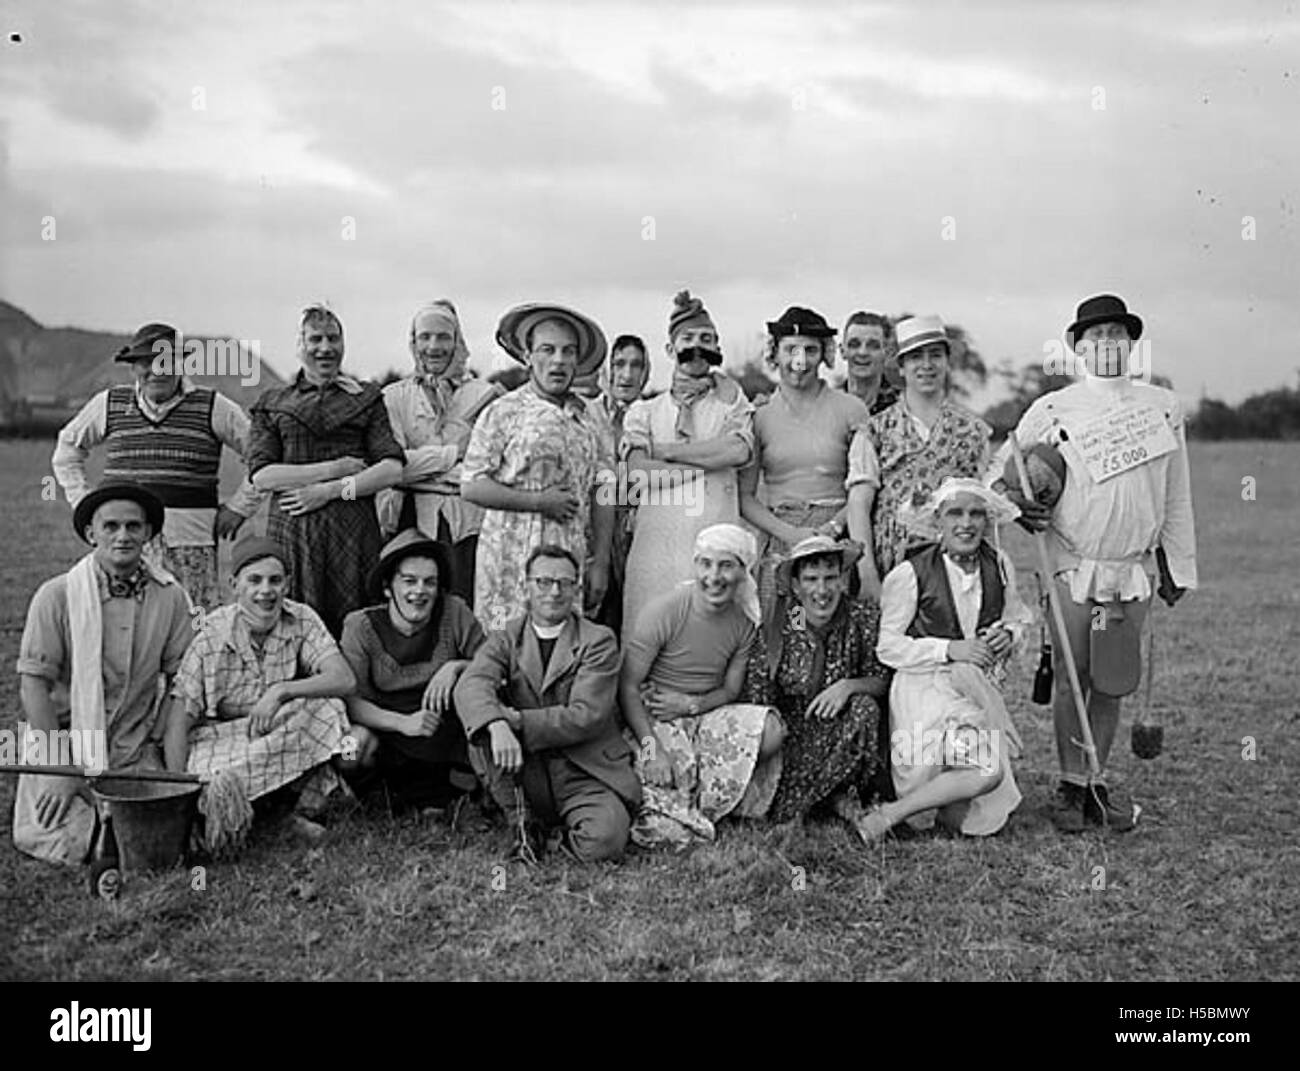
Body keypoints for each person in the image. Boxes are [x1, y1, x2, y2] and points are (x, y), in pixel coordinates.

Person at [990, 294, 1197, 833]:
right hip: (1073, 566)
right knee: (1070, 674)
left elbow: (1177, 493)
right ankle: (1068, 784)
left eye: (1116, 333)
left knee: (1111, 677)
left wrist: (1178, 563)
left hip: (1130, 570)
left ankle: (1097, 781)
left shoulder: (1162, 406)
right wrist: (1020, 507)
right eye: (1095, 335)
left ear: (1131, 343)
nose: (1107, 343)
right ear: (1078, 347)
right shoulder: (1054, 408)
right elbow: (999, 476)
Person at [12, 483, 194, 865]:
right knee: (52, 834)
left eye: (133, 526)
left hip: (133, 743)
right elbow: (34, 685)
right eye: (110, 526)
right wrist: (60, 768)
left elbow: (183, 682)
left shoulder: (171, 597)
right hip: (64, 743)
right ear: (91, 533)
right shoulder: (57, 595)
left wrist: (160, 745)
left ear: (148, 533)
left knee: (165, 829)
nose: (123, 536)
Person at [52, 323, 262, 609]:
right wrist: (85, 504)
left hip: (191, 548)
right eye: (146, 363)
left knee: (193, 628)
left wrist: (240, 506)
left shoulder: (214, 407)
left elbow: (262, 454)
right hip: (122, 544)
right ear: (133, 368)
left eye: (165, 360)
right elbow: (67, 450)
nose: (157, 370)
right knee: (121, 625)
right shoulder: (109, 404)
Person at [166, 536, 358, 850]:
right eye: (254, 580)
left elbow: (344, 679)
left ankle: (281, 806)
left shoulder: (301, 618)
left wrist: (281, 691)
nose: (265, 591)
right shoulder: (211, 633)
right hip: (223, 739)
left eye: (275, 581)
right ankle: (246, 812)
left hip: (276, 728)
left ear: (287, 584)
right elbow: (178, 722)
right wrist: (177, 793)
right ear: (234, 585)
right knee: (218, 782)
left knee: (328, 706)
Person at [865, 479, 1031, 841]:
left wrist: (1009, 634)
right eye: (955, 513)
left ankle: (902, 811)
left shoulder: (999, 565)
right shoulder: (910, 574)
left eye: (976, 514)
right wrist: (948, 649)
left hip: (972, 689)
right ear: (937, 520)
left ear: (987, 521)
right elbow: (888, 646)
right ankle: (903, 805)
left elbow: (1016, 616)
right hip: (924, 690)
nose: (966, 523)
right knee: (979, 772)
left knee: (980, 802)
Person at [453, 544, 640, 862]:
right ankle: (521, 821)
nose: (554, 592)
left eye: (564, 583)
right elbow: (472, 683)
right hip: (524, 768)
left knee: (604, 842)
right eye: (543, 582)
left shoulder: (598, 640)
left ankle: (549, 839)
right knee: (481, 723)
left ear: (575, 588)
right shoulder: (505, 636)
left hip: (583, 768)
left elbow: (587, 716)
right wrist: (497, 724)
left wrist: (516, 721)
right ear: (526, 586)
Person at [620, 524, 784, 849]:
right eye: (706, 564)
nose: (714, 576)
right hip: (657, 720)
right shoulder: (664, 611)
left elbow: (730, 691)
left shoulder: (744, 624)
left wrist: (691, 705)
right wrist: (652, 750)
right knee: (663, 794)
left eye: (726, 565)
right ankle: (681, 806)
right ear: (695, 566)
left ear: (742, 571)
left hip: (704, 715)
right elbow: (627, 687)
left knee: (772, 730)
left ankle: (703, 802)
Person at [246, 305, 406, 636]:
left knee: (356, 630)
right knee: (291, 629)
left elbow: (391, 470)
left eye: (333, 338)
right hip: (292, 534)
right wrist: (333, 469)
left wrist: (332, 490)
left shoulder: (366, 398)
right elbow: (262, 476)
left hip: (354, 533)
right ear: (299, 345)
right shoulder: (273, 402)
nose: (325, 348)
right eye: (315, 339)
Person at [461, 303, 615, 630]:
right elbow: (472, 485)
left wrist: (600, 560)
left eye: (568, 351)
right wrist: (537, 502)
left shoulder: (593, 418)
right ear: (528, 355)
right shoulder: (503, 411)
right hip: (508, 559)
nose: (558, 360)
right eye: (547, 349)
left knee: (563, 650)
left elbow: (605, 489)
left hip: (569, 559)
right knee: (506, 652)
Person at [621, 291, 753, 640]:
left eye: (707, 339)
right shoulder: (643, 412)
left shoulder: (734, 405)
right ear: (670, 349)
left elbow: (738, 453)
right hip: (656, 553)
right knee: (645, 643)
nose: (698, 346)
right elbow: (638, 473)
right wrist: (707, 462)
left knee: (715, 648)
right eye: (688, 339)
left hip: (715, 553)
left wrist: (666, 451)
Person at [747, 536, 891, 827]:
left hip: (844, 731)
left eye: (830, 577)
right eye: (811, 579)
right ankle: (827, 800)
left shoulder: (862, 617)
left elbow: (882, 680)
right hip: (794, 737)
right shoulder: (783, 625)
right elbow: (759, 697)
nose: (822, 590)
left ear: (842, 580)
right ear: (797, 586)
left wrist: (848, 686)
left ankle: (824, 799)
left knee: (865, 708)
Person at [339, 529, 485, 812]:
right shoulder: (359, 626)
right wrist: (402, 723)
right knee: (349, 748)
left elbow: (493, 665)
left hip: (442, 731)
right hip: (386, 728)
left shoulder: (454, 611)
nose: (420, 591)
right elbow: (350, 702)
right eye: (409, 581)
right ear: (387, 587)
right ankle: (366, 796)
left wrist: (456, 667)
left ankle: (452, 794)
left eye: (429, 582)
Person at [847, 313, 991, 600]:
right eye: (915, 358)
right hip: (893, 565)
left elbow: (986, 509)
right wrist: (867, 574)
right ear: (901, 367)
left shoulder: (974, 431)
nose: (926, 365)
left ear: (947, 362)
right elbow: (859, 505)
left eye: (935, 356)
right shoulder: (874, 430)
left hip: (956, 568)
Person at [739, 306, 868, 620]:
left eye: (811, 350)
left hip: (837, 535)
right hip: (783, 534)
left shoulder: (851, 409)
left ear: (824, 355)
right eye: (791, 349)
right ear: (775, 353)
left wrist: (832, 527)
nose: (801, 361)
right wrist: (790, 534)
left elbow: (863, 485)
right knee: (787, 629)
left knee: (832, 628)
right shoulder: (759, 417)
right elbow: (745, 497)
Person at [377, 300, 503, 607]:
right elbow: (392, 467)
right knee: (415, 605)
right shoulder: (392, 398)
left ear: (457, 340)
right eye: (425, 337)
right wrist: (453, 455)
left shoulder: (487, 397)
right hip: (408, 520)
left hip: (470, 526)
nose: (433, 346)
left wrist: (422, 470)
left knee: (473, 605)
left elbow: (489, 470)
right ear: (413, 341)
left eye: (443, 337)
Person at [584, 334, 651, 635]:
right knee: (592, 614)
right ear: (606, 370)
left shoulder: (654, 415)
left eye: (636, 365)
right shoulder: (586, 414)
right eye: (619, 364)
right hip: (593, 529)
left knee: (634, 618)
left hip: (638, 530)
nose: (626, 374)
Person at [840, 311, 900, 415]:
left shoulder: (904, 408)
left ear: (888, 353)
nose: (863, 352)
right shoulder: (826, 406)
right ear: (842, 351)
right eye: (854, 344)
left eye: (873, 346)